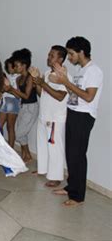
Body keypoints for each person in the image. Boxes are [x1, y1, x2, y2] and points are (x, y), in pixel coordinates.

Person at [51, 37, 103, 207]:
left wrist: (65, 81)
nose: (70, 57)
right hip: (73, 112)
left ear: (81, 52)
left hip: (84, 116)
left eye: (72, 53)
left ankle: (78, 196)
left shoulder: (93, 71)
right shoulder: (81, 70)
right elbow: (75, 93)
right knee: (71, 154)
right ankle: (71, 187)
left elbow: (88, 96)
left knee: (78, 156)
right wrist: (63, 80)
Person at [29, 45, 70, 188]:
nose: (48, 57)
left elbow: (60, 96)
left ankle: (56, 177)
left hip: (55, 118)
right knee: (42, 144)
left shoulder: (64, 77)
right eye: (49, 55)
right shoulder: (47, 73)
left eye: (52, 56)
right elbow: (43, 94)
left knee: (54, 147)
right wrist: (37, 82)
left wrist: (43, 84)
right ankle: (43, 170)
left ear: (60, 59)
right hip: (44, 115)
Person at [5, 48, 38, 162]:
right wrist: (10, 90)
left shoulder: (30, 78)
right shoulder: (19, 78)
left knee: (19, 133)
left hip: (31, 106)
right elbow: (19, 96)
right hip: (23, 106)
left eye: (17, 65)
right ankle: (26, 155)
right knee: (21, 132)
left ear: (24, 65)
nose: (15, 67)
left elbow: (27, 96)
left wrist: (11, 89)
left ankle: (27, 155)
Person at [0, 58, 21, 148]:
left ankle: (11, 148)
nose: (9, 69)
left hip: (13, 101)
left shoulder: (18, 77)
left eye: (10, 67)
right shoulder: (9, 76)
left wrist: (8, 89)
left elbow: (18, 94)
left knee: (10, 126)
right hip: (5, 100)